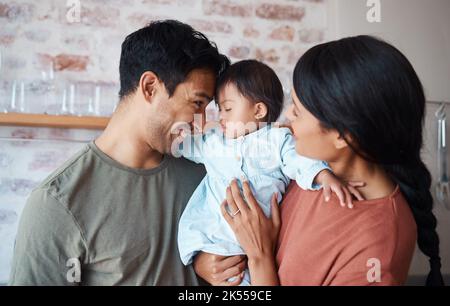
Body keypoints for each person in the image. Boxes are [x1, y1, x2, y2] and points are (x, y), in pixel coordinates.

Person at [194, 36, 445, 286]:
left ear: (342, 135)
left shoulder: (375, 250)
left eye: (299, 110)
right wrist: (206, 262)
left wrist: (260, 256)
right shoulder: (308, 164)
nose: (288, 114)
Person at [9, 20, 230, 286]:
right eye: (196, 103)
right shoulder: (57, 203)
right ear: (150, 87)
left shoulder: (208, 173)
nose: (201, 123)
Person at [176, 60, 362, 285]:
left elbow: (298, 160)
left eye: (227, 108)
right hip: (213, 237)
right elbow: (186, 146)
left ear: (258, 110)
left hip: (254, 244)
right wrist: (176, 135)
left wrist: (324, 175)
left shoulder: (277, 139)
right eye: (219, 109)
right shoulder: (215, 142)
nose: (220, 117)